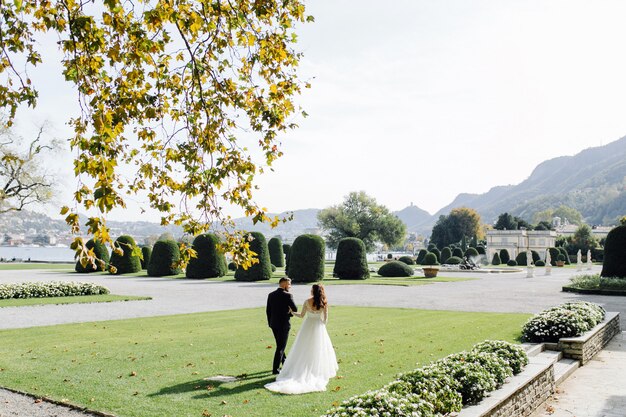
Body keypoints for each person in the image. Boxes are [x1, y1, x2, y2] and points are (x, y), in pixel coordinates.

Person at [265, 284, 338, 394]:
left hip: (307, 326)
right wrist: (320, 322)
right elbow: (325, 320)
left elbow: (301, 315)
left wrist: (292, 312)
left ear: (313, 291)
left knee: (303, 348)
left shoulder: (307, 301)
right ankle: (316, 370)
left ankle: (301, 369)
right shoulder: (324, 303)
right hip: (319, 327)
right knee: (319, 348)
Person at [266, 277, 298, 375]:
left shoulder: (271, 295)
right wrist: (290, 313)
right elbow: (295, 309)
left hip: (273, 324)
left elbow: (268, 311)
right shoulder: (288, 295)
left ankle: (285, 363)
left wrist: (270, 323)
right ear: (284, 284)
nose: (290, 286)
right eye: (289, 284)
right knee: (281, 347)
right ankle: (275, 369)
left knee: (280, 345)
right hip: (284, 324)